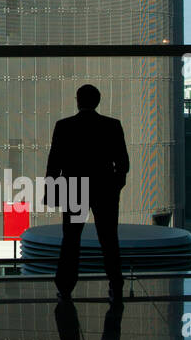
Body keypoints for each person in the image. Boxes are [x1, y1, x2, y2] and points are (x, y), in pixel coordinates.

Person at [46, 83, 129, 304]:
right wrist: (115, 185)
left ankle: (65, 287)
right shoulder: (112, 125)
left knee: (71, 239)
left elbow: (55, 162)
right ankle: (116, 284)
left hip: (74, 187)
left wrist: (52, 190)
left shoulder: (64, 126)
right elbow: (122, 162)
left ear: (77, 100)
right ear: (98, 100)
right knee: (109, 239)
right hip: (104, 188)